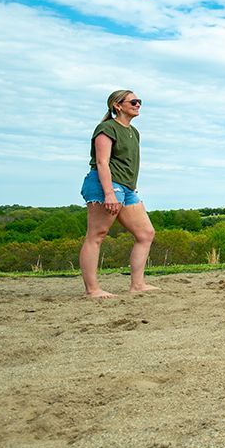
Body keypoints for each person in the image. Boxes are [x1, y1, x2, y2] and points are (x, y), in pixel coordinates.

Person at [79, 90, 158, 298]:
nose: (138, 104)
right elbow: (102, 162)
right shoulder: (107, 128)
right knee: (96, 235)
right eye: (133, 101)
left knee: (146, 233)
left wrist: (128, 188)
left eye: (139, 101)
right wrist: (109, 193)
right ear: (117, 105)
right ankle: (92, 289)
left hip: (127, 189)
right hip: (105, 185)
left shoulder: (134, 132)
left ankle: (138, 285)